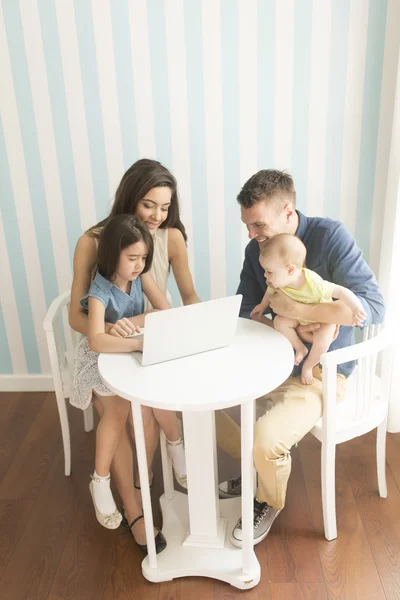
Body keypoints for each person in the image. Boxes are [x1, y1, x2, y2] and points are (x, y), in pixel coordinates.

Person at [216, 169, 385, 548]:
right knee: (203, 404)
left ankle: (268, 498)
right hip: (272, 359)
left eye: (258, 224)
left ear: (288, 212)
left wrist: (304, 312)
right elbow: (245, 308)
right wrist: (278, 319)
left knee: (264, 438)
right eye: (247, 225)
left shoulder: (331, 238)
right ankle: (261, 469)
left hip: (322, 372)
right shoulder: (255, 251)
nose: (251, 234)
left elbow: (373, 306)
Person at [69, 159, 199, 552]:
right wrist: (108, 329)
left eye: (165, 207)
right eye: (148, 206)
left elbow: (186, 297)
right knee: (120, 411)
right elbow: (78, 315)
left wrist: (196, 327)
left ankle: (147, 480)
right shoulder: (94, 242)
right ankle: (133, 508)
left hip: (147, 336)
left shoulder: (169, 237)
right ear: (130, 198)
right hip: (107, 344)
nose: (158, 216)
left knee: (151, 409)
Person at [251, 233, 367, 384]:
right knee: (280, 322)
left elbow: (340, 291)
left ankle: (309, 365)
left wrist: (356, 308)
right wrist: (262, 306)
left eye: (269, 271)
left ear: (290, 270)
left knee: (324, 337)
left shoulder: (313, 283)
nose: (266, 275)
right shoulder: (277, 281)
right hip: (298, 319)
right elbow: (269, 292)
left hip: (321, 318)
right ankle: (300, 349)